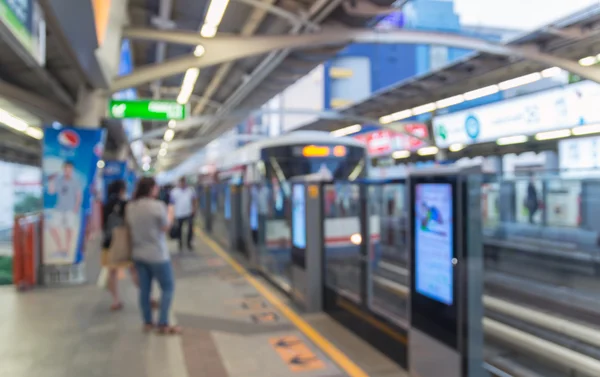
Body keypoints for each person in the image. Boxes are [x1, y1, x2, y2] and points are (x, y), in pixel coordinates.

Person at [126, 177, 181, 334]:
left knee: (145, 290)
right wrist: (170, 213)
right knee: (168, 287)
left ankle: (147, 322)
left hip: (138, 254)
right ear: (151, 189)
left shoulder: (131, 207)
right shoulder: (157, 206)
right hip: (157, 255)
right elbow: (165, 227)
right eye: (155, 188)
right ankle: (163, 323)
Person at [102, 180, 146, 311]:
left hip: (108, 243)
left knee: (112, 272)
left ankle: (115, 300)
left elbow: (103, 225)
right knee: (134, 270)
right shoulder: (126, 204)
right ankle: (146, 296)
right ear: (122, 190)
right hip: (124, 243)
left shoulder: (106, 204)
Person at [47, 160, 82, 259]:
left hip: (70, 209)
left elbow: (79, 195)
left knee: (68, 229)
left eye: (70, 169)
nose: (68, 171)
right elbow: (51, 191)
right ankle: (60, 248)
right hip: (59, 208)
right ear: (63, 169)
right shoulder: (59, 180)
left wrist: (76, 208)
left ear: (72, 170)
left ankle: (66, 250)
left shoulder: (75, 181)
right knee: (52, 227)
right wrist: (51, 181)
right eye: (66, 169)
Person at [170, 177, 197, 252]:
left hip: (188, 212)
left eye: (183, 182)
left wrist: (194, 209)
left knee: (190, 228)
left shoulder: (190, 190)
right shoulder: (174, 192)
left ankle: (189, 243)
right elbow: (171, 204)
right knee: (179, 229)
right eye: (181, 182)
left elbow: (194, 200)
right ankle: (180, 243)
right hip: (178, 214)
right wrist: (172, 215)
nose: (182, 183)